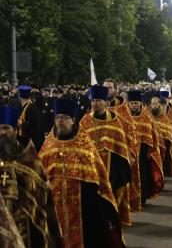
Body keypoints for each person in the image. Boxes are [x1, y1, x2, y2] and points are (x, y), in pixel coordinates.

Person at [39, 99, 125, 247]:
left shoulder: (84, 144)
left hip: (84, 206)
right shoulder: (48, 145)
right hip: (55, 206)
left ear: (73, 120)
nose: (60, 121)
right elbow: (40, 176)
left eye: (65, 118)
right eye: (57, 117)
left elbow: (98, 177)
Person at [0, 106, 62, 247]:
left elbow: (42, 195)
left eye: (6, 128)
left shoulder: (29, 159)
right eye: (0, 128)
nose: (2, 132)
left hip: (26, 224)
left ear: (15, 130)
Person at [79, 85, 132, 226]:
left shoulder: (115, 121)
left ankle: (110, 220)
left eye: (98, 101)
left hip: (111, 164)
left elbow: (120, 145)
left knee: (110, 193)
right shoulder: (84, 121)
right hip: (92, 166)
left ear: (105, 102)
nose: (95, 104)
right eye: (93, 101)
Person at [128, 91, 164, 206]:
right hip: (128, 151)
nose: (134, 105)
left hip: (143, 151)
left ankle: (141, 198)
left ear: (140, 103)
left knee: (142, 175)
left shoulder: (147, 117)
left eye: (136, 103)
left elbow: (154, 134)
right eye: (132, 103)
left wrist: (150, 151)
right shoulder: (125, 118)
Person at [150, 97, 172, 177]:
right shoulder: (147, 114)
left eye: (156, 104)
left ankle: (165, 171)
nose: (154, 106)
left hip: (164, 139)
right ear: (150, 105)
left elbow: (168, 128)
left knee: (166, 155)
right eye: (153, 104)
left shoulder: (163, 116)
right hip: (152, 140)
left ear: (159, 104)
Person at [14, 85, 44, 151]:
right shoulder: (26, 106)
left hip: (30, 141)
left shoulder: (31, 108)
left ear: (20, 96)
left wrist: (20, 123)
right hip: (24, 138)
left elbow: (33, 124)